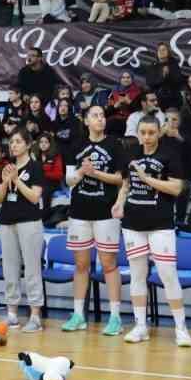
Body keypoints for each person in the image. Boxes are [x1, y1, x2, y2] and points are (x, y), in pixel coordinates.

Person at [111, 112, 189, 344]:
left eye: (151, 133)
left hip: (160, 224)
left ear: (159, 132)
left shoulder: (170, 155)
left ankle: (181, 327)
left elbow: (176, 189)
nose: (147, 137)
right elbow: (126, 183)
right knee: (137, 273)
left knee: (167, 274)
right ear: (138, 133)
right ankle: (140, 326)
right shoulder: (131, 154)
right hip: (133, 223)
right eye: (143, 133)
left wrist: (148, 180)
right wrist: (119, 202)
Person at [61, 106, 129, 334]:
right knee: (81, 265)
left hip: (106, 213)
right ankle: (79, 314)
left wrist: (96, 174)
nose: (100, 119)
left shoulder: (115, 145)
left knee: (109, 264)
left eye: (102, 116)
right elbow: (69, 180)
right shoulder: (76, 145)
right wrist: (82, 172)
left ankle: (115, 318)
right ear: (86, 121)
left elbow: (121, 179)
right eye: (95, 116)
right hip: (79, 212)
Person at [0, 129, 48, 332]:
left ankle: (35, 316)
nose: (13, 145)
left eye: (17, 141)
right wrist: (4, 182)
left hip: (29, 222)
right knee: (9, 269)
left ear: (27, 144)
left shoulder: (35, 167)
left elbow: (35, 197)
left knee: (32, 269)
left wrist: (16, 180)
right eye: (11, 142)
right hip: (7, 221)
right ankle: (12, 314)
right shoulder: (8, 167)